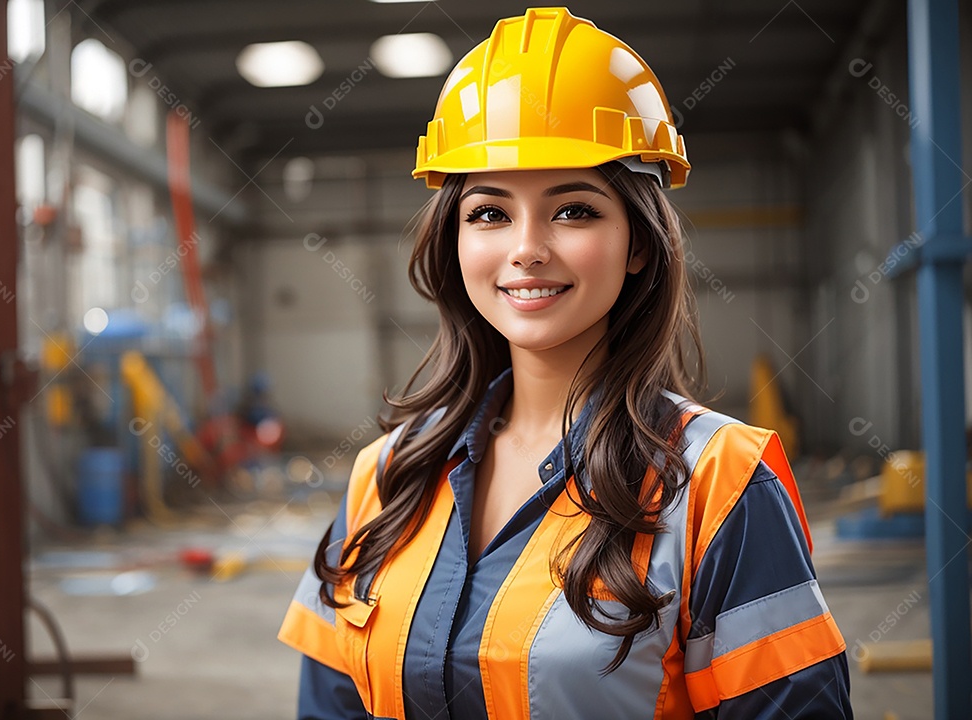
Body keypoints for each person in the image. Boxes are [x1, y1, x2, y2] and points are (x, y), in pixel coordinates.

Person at [278, 7, 851, 719]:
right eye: (489, 213)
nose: (526, 248)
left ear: (638, 243)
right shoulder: (386, 476)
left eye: (573, 210)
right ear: (454, 243)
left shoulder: (721, 481)